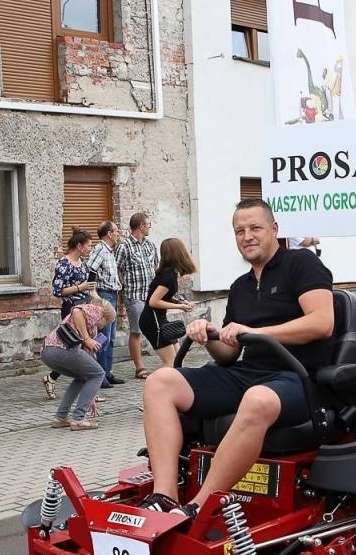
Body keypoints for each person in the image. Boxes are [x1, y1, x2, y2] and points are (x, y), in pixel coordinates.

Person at [140, 198, 334, 517]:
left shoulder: (301, 263)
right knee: (160, 382)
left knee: (257, 398)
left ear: (274, 229)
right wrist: (209, 335)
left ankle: (199, 506)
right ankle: (164, 496)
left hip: (299, 378)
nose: (247, 236)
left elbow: (322, 322)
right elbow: (229, 355)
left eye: (255, 228)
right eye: (239, 231)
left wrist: (256, 332)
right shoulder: (240, 286)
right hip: (247, 375)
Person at [39, 298, 115, 431]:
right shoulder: (97, 310)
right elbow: (76, 311)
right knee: (99, 373)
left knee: (83, 376)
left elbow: (89, 364)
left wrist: (90, 397)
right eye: (107, 321)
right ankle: (78, 419)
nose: (104, 326)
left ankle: (60, 417)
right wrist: (86, 339)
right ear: (105, 315)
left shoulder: (91, 328)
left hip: (47, 351)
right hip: (61, 348)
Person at [43, 230, 98, 398]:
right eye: (88, 245)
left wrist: (97, 301)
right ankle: (86, 386)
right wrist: (80, 287)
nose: (90, 248)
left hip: (85, 307)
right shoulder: (64, 263)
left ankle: (88, 386)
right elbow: (58, 290)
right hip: (71, 308)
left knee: (86, 346)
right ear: (79, 246)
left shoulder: (83, 264)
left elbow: (90, 287)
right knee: (74, 346)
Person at [140, 238, 198, 372]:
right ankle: (154, 383)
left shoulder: (169, 273)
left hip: (159, 320)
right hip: (153, 322)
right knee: (171, 363)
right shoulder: (168, 276)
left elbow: (164, 296)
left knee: (179, 360)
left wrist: (181, 302)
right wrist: (180, 307)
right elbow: (153, 301)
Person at [116, 211, 160, 380]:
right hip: (134, 295)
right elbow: (117, 270)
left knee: (156, 328)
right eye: (148, 224)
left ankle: (168, 360)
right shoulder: (124, 246)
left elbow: (155, 268)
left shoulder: (150, 245)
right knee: (136, 331)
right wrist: (121, 294)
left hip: (152, 296)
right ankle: (139, 367)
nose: (149, 228)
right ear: (141, 226)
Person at [89, 221, 124, 388]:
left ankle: (107, 373)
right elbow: (91, 270)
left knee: (110, 338)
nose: (118, 233)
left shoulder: (109, 250)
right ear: (109, 233)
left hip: (113, 295)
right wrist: (93, 294)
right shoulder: (100, 249)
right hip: (104, 295)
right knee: (102, 337)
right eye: (116, 231)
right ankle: (100, 375)